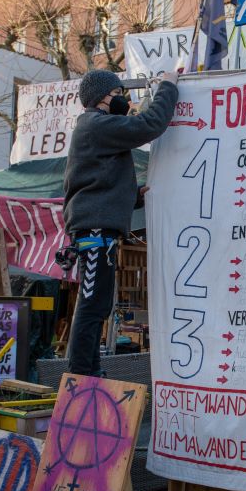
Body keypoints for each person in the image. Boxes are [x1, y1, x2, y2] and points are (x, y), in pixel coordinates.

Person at [63, 68, 179, 376]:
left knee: (97, 304)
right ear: (102, 98)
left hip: (98, 227)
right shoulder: (97, 125)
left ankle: (90, 371)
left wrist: (133, 196)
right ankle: (81, 374)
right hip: (96, 230)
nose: (122, 101)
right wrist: (168, 86)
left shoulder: (94, 128)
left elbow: (98, 180)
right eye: (118, 95)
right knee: (92, 306)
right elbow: (149, 125)